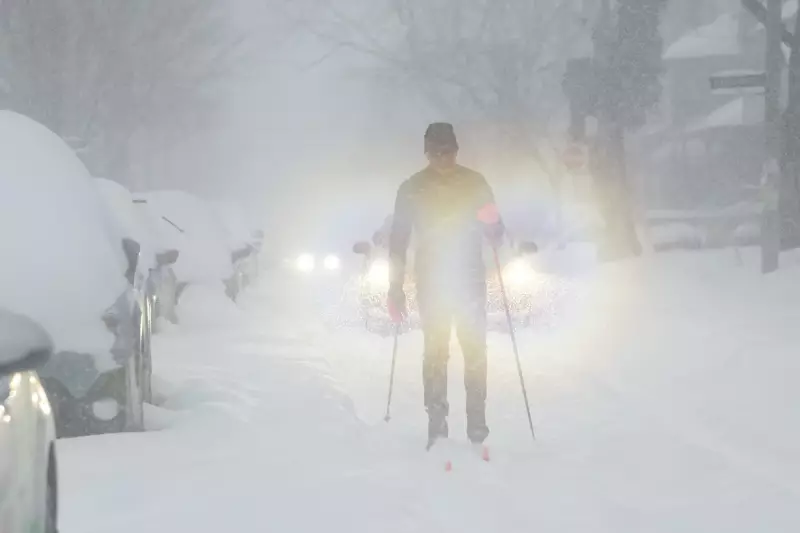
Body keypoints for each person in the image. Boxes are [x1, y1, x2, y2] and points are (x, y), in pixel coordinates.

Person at [387, 122, 504, 450]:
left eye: (449, 151)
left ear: (456, 150)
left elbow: (495, 229)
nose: (443, 159)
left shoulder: (474, 183)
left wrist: (494, 227)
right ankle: (437, 427)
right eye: (436, 152)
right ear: (426, 153)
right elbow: (398, 239)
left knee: (475, 351)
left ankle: (477, 427)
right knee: (436, 353)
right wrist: (395, 286)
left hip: (469, 277)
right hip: (432, 279)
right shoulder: (412, 188)